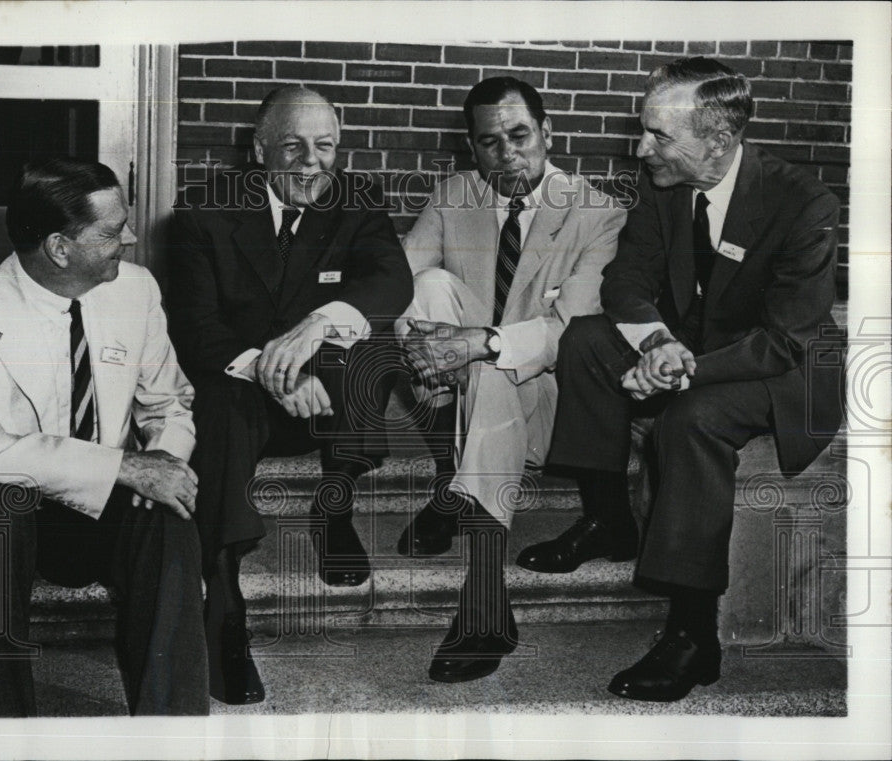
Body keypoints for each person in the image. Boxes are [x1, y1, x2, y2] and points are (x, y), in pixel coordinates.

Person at [518, 57, 844, 701]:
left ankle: (694, 636)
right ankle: (609, 520)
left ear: (718, 142)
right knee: (585, 341)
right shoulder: (661, 181)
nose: (642, 149)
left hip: (779, 370)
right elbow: (626, 281)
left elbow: (782, 340)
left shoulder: (803, 202)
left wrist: (681, 370)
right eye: (646, 132)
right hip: (686, 347)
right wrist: (659, 343)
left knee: (690, 420)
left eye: (659, 136)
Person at [0, 157, 208, 717]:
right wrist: (122, 467)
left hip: (95, 506)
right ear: (58, 247)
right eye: (111, 230)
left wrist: (164, 460)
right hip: (1, 508)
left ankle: (174, 734)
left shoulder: (136, 290)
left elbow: (167, 401)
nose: (128, 238)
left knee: (167, 516)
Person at [166, 86, 413, 704]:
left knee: (371, 353)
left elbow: (391, 281)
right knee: (217, 409)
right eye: (293, 146)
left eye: (325, 146)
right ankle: (224, 607)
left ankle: (334, 507)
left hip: (323, 389)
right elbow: (197, 330)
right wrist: (275, 371)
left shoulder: (357, 200)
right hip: (242, 385)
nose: (311, 161)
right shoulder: (202, 211)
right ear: (259, 150)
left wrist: (317, 328)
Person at [397, 76, 627, 683]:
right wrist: (421, 340)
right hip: (456, 391)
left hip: (549, 397)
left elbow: (569, 332)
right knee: (425, 288)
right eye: (490, 143)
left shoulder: (599, 212)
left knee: (492, 369)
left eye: (520, 135)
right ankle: (457, 486)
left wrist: (482, 345)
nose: (508, 154)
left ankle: (483, 584)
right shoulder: (455, 195)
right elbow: (400, 279)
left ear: (548, 133)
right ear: (473, 149)